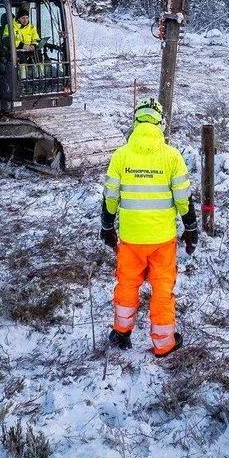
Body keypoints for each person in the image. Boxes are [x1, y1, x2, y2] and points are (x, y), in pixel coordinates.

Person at [99, 97, 195, 356]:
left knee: (127, 286)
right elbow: (183, 200)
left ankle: (121, 333)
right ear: (160, 123)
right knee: (163, 290)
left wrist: (107, 226)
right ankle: (164, 344)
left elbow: (110, 197)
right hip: (163, 240)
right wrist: (191, 228)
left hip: (131, 239)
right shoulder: (172, 156)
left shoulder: (120, 156)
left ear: (136, 121)